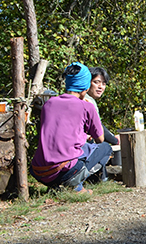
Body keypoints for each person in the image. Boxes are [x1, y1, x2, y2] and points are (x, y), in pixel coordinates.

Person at [30, 62, 112, 194]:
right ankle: (76, 186)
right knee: (105, 148)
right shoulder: (87, 106)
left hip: (39, 171)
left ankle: (58, 187)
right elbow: (100, 139)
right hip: (64, 170)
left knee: (78, 150)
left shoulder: (49, 103)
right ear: (86, 86)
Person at [85, 67, 120, 145]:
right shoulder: (87, 101)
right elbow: (97, 129)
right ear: (87, 82)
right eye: (96, 82)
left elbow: (98, 125)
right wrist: (115, 141)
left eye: (104, 83)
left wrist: (113, 138)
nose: (100, 86)